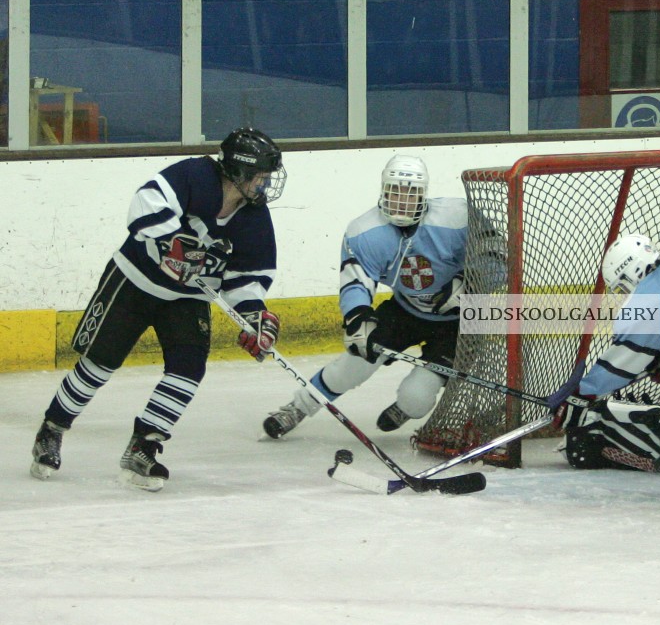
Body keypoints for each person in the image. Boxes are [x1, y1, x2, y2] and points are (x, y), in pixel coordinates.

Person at [31, 127, 287, 491]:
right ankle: (52, 429)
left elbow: (246, 277)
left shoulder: (254, 217)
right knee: (98, 366)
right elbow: (144, 204)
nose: (266, 185)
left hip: (188, 297)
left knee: (188, 370)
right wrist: (170, 241)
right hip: (135, 281)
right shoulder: (194, 175)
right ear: (240, 171)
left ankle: (144, 446)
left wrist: (253, 316)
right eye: (262, 177)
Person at [262, 155, 467, 439]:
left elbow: (497, 254)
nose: (402, 199)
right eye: (395, 190)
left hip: (459, 324)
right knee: (353, 365)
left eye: (410, 192)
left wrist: (468, 286)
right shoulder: (366, 231)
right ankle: (299, 406)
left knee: (417, 397)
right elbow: (356, 281)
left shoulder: (457, 218)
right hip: (405, 311)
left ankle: (405, 408)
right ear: (383, 189)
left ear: (423, 194)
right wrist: (358, 316)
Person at [546, 233, 660, 475]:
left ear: (630, 271)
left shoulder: (651, 294)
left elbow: (625, 357)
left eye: (622, 286)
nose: (626, 294)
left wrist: (582, 394)